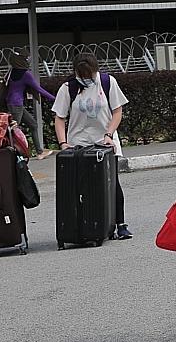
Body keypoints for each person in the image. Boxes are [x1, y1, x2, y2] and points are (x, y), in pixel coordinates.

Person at [53, 54, 133, 240]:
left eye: (89, 75)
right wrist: (63, 143)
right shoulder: (68, 88)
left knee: (112, 184)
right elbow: (59, 117)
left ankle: (119, 224)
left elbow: (117, 111)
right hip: (77, 145)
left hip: (105, 143)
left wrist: (109, 134)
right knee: (79, 187)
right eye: (82, 76)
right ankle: (83, 225)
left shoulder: (107, 82)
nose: (86, 79)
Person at [0, 55, 55, 157]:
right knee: (13, 129)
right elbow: (38, 89)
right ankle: (9, 153)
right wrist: (54, 98)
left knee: (33, 125)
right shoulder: (26, 74)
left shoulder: (12, 71)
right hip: (17, 104)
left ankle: (39, 152)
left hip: (12, 103)